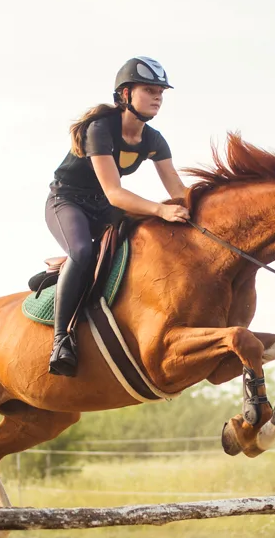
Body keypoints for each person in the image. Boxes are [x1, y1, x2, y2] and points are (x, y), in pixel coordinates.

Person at [45, 56, 191, 376]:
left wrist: (201, 211)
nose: (157, 97)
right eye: (149, 90)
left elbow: (177, 188)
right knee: (83, 250)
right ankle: (61, 340)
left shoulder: (154, 139)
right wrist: (160, 209)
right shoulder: (100, 128)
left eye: (161, 92)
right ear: (125, 95)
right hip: (67, 201)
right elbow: (114, 192)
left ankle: (73, 264)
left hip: (103, 206)